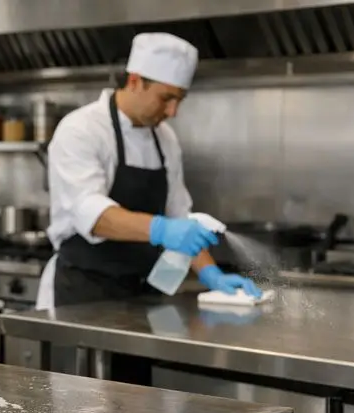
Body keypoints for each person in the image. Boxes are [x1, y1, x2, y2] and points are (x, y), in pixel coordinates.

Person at [36, 32, 261, 313]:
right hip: (83, 293)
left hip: (143, 295)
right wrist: (161, 229)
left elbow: (180, 218)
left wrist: (210, 274)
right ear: (135, 81)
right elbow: (92, 216)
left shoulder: (165, 139)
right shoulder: (82, 130)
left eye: (179, 99)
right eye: (166, 98)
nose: (173, 111)